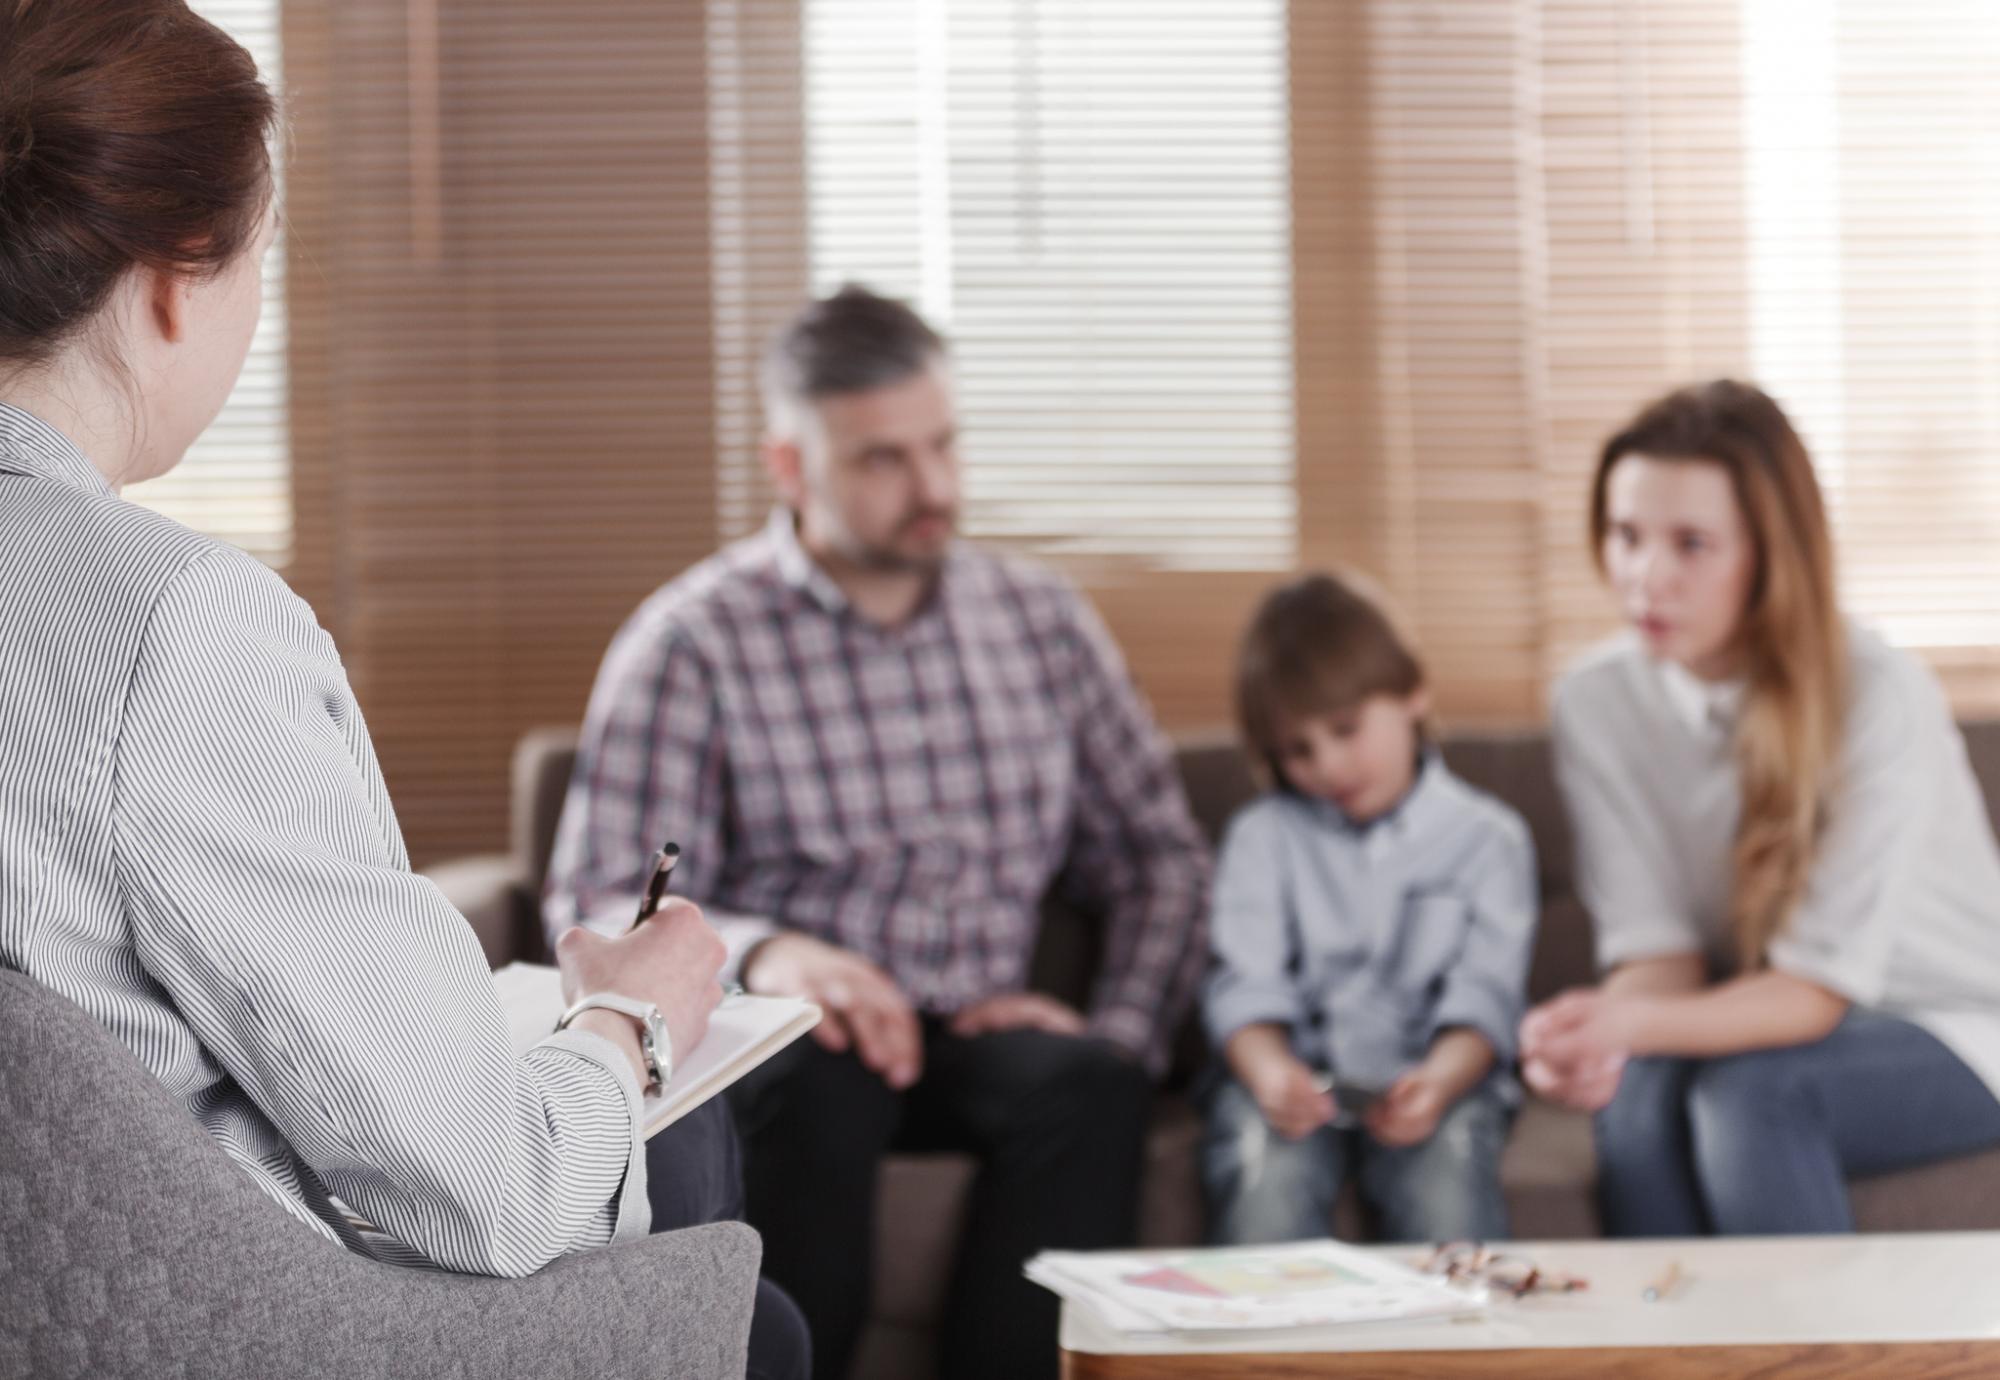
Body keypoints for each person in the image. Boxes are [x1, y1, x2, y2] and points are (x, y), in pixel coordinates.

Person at [0, 4, 803, 1373]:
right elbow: (489, 1190)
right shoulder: (173, 628)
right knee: (724, 1241)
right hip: (212, 1337)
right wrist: (632, 1016)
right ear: (177, 277)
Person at [544, 283, 1211, 1380]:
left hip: (982, 1028)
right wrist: (775, 953)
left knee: (1092, 1086)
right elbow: (606, 896)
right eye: (882, 460)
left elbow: (1156, 857)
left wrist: (1113, 1025)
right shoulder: (691, 643)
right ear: (791, 467)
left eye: (942, 446)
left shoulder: (1040, 625)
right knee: (820, 1085)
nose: (933, 488)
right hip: (800, 1037)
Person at [1519, 379, 2000, 1236]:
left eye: (1691, 544)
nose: (1645, 577)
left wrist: (1629, 1019)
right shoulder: (1596, 701)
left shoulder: (1878, 696)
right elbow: (1658, 949)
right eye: (1626, 535)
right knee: (1636, 1099)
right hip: (1759, 1010)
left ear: (1769, 557)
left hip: (1952, 1020)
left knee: (1755, 1098)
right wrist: (1600, 1034)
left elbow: (1812, 994)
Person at [1199, 573, 1536, 1245]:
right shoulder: (1261, 837)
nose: (1327, 766)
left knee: (1448, 1181)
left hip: (1436, 1080)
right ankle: (1267, 1352)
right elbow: (1246, 987)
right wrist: (1271, 1073)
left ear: (1413, 692)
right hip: (1295, 1087)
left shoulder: (1487, 840)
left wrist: (1439, 1081)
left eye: (1346, 730)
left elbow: (1485, 999)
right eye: (1298, 750)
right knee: (1268, 1176)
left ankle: (1451, 1353)